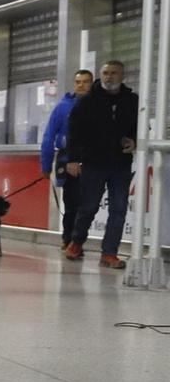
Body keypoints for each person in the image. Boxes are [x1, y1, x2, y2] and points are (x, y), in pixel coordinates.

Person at [64, 59, 139, 269]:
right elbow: (74, 131)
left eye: (114, 73)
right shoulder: (87, 101)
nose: (109, 77)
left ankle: (109, 253)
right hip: (93, 162)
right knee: (88, 207)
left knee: (119, 209)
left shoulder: (132, 100)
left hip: (121, 164)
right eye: (105, 73)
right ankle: (77, 242)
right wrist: (71, 159)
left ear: (122, 76)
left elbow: (139, 127)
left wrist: (133, 140)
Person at [41, 70, 93, 256]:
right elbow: (49, 136)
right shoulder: (62, 107)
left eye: (86, 82)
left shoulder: (98, 105)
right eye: (78, 81)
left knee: (87, 205)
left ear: (92, 83)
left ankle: (78, 240)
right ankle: (68, 239)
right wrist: (46, 164)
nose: (81, 85)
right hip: (67, 158)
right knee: (71, 204)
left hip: (92, 161)